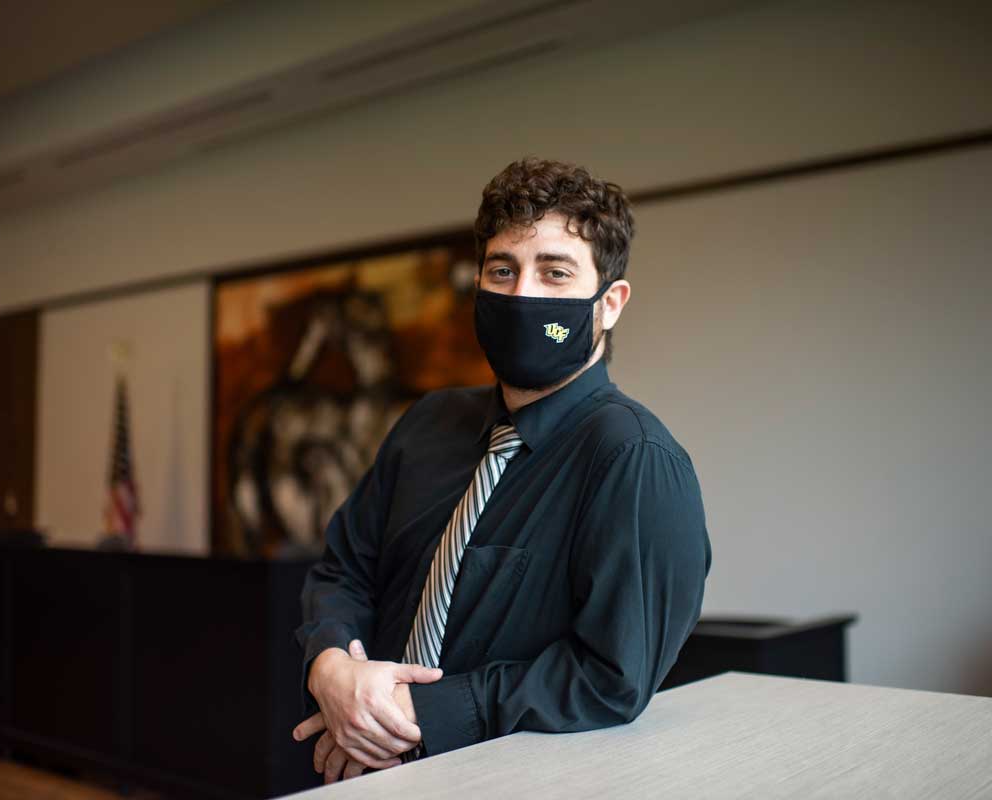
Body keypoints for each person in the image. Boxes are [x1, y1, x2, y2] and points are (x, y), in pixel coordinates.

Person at [291, 158, 712, 784]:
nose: (523, 296)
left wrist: (408, 716)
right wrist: (332, 669)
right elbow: (344, 568)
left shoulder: (636, 460)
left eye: (555, 272)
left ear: (611, 303)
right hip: (356, 771)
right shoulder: (429, 422)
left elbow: (610, 677)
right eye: (502, 270)